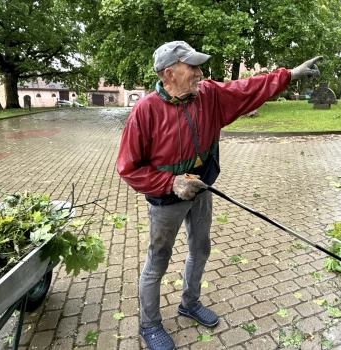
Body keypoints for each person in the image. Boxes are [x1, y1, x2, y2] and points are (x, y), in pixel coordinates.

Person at [117, 41, 321, 350]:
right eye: (192, 67)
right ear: (169, 73)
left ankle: (189, 303)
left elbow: (246, 88)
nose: (200, 72)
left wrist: (289, 75)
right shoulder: (146, 111)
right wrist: (170, 183)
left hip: (201, 188)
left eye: (199, 66)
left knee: (201, 248)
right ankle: (150, 323)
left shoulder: (208, 95)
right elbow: (128, 167)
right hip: (167, 200)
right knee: (157, 261)